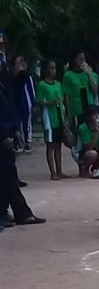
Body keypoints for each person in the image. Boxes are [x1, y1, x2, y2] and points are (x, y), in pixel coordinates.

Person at [0, 65, 45, 230]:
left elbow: (11, 106)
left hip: (8, 130)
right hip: (2, 134)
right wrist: (4, 134)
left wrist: (16, 129)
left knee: (8, 176)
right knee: (7, 176)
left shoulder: (4, 81)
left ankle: (11, 212)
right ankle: (20, 213)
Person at [37, 59, 70, 181]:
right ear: (45, 70)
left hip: (59, 117)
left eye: (54, 68)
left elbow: (62, 100)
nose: (53, 71)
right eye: (51, 68)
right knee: (50, 146)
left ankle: (60, 170)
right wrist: (50, 103)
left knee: (58, 146)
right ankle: (53, 172)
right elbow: (39, 102)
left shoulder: (58, 84)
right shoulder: (42, 85)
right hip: (49, 119)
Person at [63, 51, 99, 129]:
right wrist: (68, 114)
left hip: (90, 108)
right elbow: (67, 97)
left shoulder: (89, 73)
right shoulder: (68, 75)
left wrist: (89, 75)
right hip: (77, 109)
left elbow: (95, 91)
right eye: (79, 59)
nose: (82, 61)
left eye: (83, 59)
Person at [76, 106, 99, 179]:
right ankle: (85, 170)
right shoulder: (82, 128)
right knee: (92, 154)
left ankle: (95, 169)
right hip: (85, 152)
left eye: (98, 114)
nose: (97, 117)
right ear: (88, 117)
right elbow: (88, 147)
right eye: (94, 115)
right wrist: (96, 134)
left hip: (98, 149)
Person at [10, 56, 35, 152]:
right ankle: (17, 142)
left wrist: (33, 101)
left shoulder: (27, 76)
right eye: (19, 63)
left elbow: (31, 90)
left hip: (26, 102)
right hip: (15, 102)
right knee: (16, 121)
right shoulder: (11, 77)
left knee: (26, 122)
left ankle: (27, 141)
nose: (23, 65)